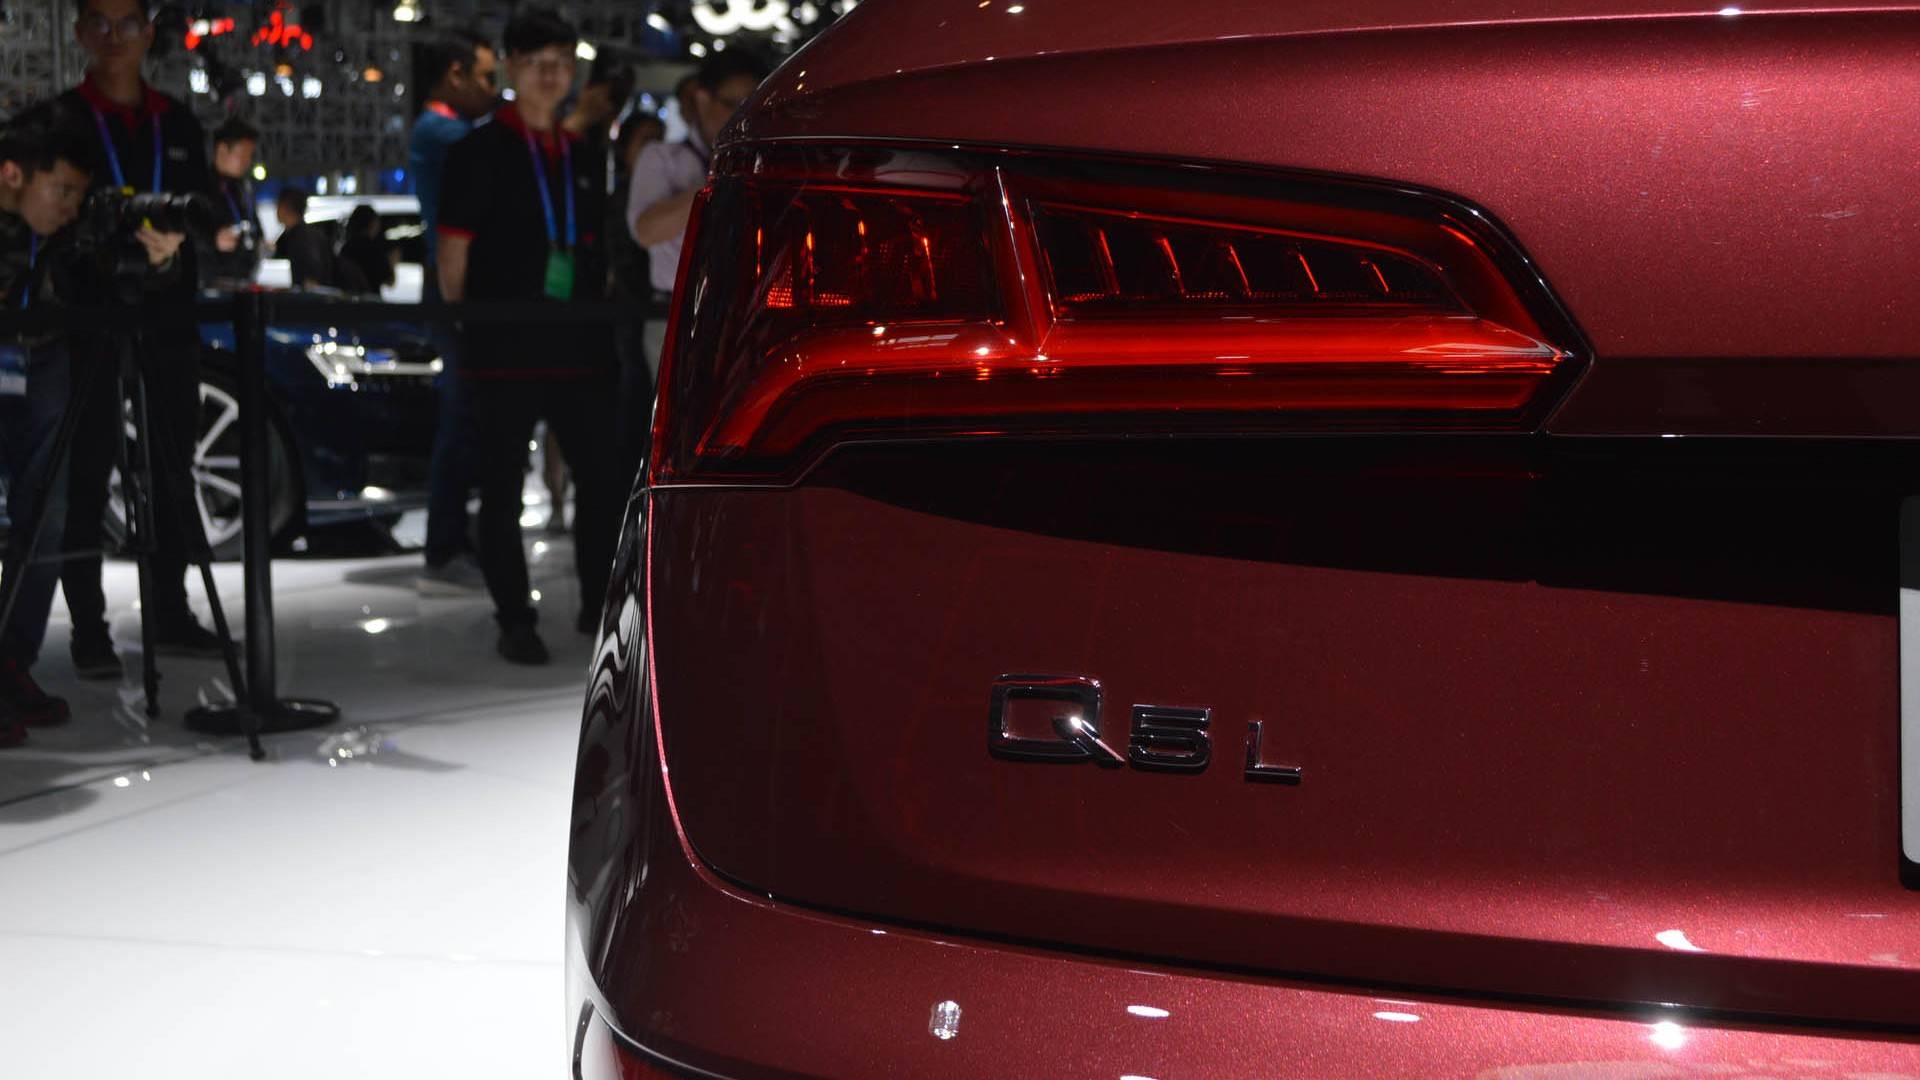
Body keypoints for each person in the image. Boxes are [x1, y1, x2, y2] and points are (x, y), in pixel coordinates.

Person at [436, 7, 620, 665]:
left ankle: (599, 603)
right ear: (512, 66)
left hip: (578, 344)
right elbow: (452, 255)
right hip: (504, 344)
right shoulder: (478, 151)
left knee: (601, 478)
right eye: (539, 64)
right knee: (502, 485)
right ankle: (514, 617)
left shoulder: (582, 154)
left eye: (562, 64)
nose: (552, 76)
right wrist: (468, 326)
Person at [55, 0, 212, 681]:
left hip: (167, 314)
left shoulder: (176, 122)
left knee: (173, 468)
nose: (114, 37)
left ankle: (171, 612)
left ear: (150, 33)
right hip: (85, 319)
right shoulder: (59, 123)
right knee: (86, 474)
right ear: (80, 32)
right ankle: (88, 630)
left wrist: (174, 244)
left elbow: (201, 210)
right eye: (100, 22)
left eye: (128, 24)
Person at [0, 108, 95, 743]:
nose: (69, 208)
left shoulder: (61, 235)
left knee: (47, 519)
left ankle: (11, 666)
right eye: (61, 191)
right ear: (12, 174)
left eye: (78, 196)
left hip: (44, 357)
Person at [409, 27, 497, 594]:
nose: (494, 90)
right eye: (487, 78)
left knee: (470, 419)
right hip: (453, 286)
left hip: (459, 285)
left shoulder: (446, 131)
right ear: (455, 74)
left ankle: (458, 540)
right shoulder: (442, 131)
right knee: (461, 418)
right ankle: (444, 548)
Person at [628, 52, 767, 383]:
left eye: (752, 106)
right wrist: (717, 181)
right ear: (702, 99)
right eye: (732, 104)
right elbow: (646, 230)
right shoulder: (662, 157)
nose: (743, 117)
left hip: (742, 313)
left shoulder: (762, 166)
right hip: (675, 312)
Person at [606, 111, 662, 482]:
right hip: (633, 317)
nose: (653, 149)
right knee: (635, 407)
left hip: (651, 312)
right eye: (645, 141)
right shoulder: (623, 201)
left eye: (659, 139)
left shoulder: (658, 189)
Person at [201, 115, 261, 287]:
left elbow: (255, 226)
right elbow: (184, 235)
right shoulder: (200, 186)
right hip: (211, 283)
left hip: (244, 280)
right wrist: (213, 241)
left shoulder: (243, 188)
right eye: (242, 155)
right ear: (222, 150)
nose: (247, 162)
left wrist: (259, 241)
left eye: (249, 156)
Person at [272, 187, 346, 291]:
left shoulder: (300, 237)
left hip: (313, 298)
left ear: (285, 207)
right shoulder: (308, 234)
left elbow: (313, 275)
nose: (276, 210)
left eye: (277, 205)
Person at [337, 204, 393, 296]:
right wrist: (393, 260)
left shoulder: (346, 248)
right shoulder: (374, 249)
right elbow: (390, 281)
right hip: (370, 299)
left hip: (349, 299)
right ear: (372, 223)